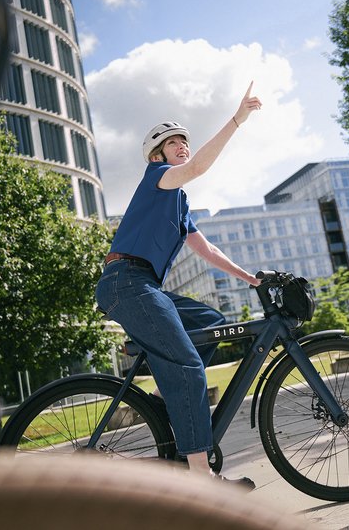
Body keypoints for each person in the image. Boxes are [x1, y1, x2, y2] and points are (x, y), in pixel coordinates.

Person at [95, 83, 262, 488]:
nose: (183, 145)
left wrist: (252, 279)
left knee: (211, 321)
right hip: (125, 282)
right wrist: (237, 119)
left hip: (143, 285)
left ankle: (165, 399)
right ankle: (202, 477)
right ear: (158, 155)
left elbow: (206, 250)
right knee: (188, 367)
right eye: (173, 142)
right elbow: (199, 167)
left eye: (184, 141)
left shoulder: (179, 201)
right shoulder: (158, 178)